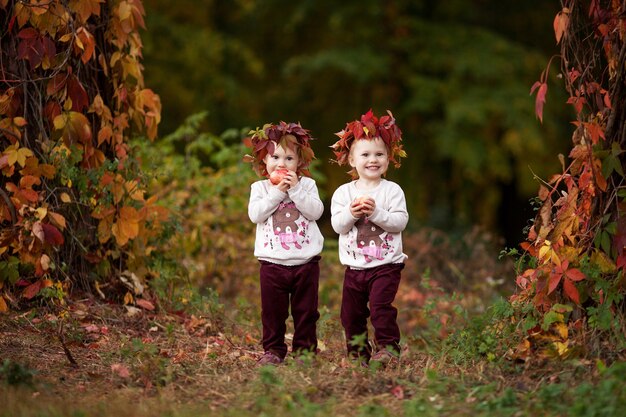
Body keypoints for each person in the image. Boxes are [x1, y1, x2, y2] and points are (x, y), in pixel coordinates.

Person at [330, 109, 408, 366]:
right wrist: (352, 214)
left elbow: (399, 222)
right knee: (350, 315)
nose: (372, 160)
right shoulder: (343, 194)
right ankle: (358, 355)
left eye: (379, 154)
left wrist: (376, 212)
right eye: (365, 155)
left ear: (388, 159)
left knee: (380, 308)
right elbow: (338, 226)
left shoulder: (392, 191)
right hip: (354, 267)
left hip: (386, 265)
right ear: (352, 160)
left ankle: (388, 348)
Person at [245, 121, 324, 366]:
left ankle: (304, 351)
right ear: (264, 162)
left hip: (305, 262)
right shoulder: (259, 188)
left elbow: (315, 212)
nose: (282, 164)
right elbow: (255, 215)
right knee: (272, 312)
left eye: (289, 158)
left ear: (299, 163)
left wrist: (296, 189)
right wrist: (278, 192)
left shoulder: (307, 185)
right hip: (272, 263)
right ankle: (273, 350)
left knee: (306, 311)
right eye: (275, 157)